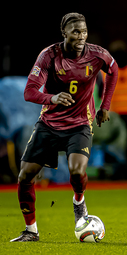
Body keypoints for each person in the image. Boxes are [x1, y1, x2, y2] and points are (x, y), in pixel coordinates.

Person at [10, 13, 118, 242]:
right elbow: (29, 92)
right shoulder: (48, 56)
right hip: (49, 124)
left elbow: (114, 70)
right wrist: (53, 98)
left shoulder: (97, 54)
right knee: (25, 176)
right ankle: (31, 231)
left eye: (84, 31)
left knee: (77, 171)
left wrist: (104, 106)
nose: (81, 36)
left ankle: (79, 202)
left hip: (79, 124)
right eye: (76, 32)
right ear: (65, 33)